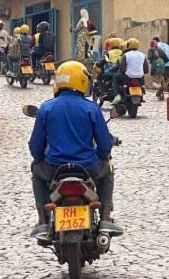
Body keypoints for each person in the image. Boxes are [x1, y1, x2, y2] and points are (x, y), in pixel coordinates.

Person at [29, 60, 123, 239]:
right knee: (108, 168)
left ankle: (42, 220)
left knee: (36, 171)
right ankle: (105, 217)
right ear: (81, 81)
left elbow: (35, 145)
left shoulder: (46, 108)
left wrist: (38, 159)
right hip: (88, 168)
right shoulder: (91, 108)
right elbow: (104, 144)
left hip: (54, 168)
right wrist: (103, 156)